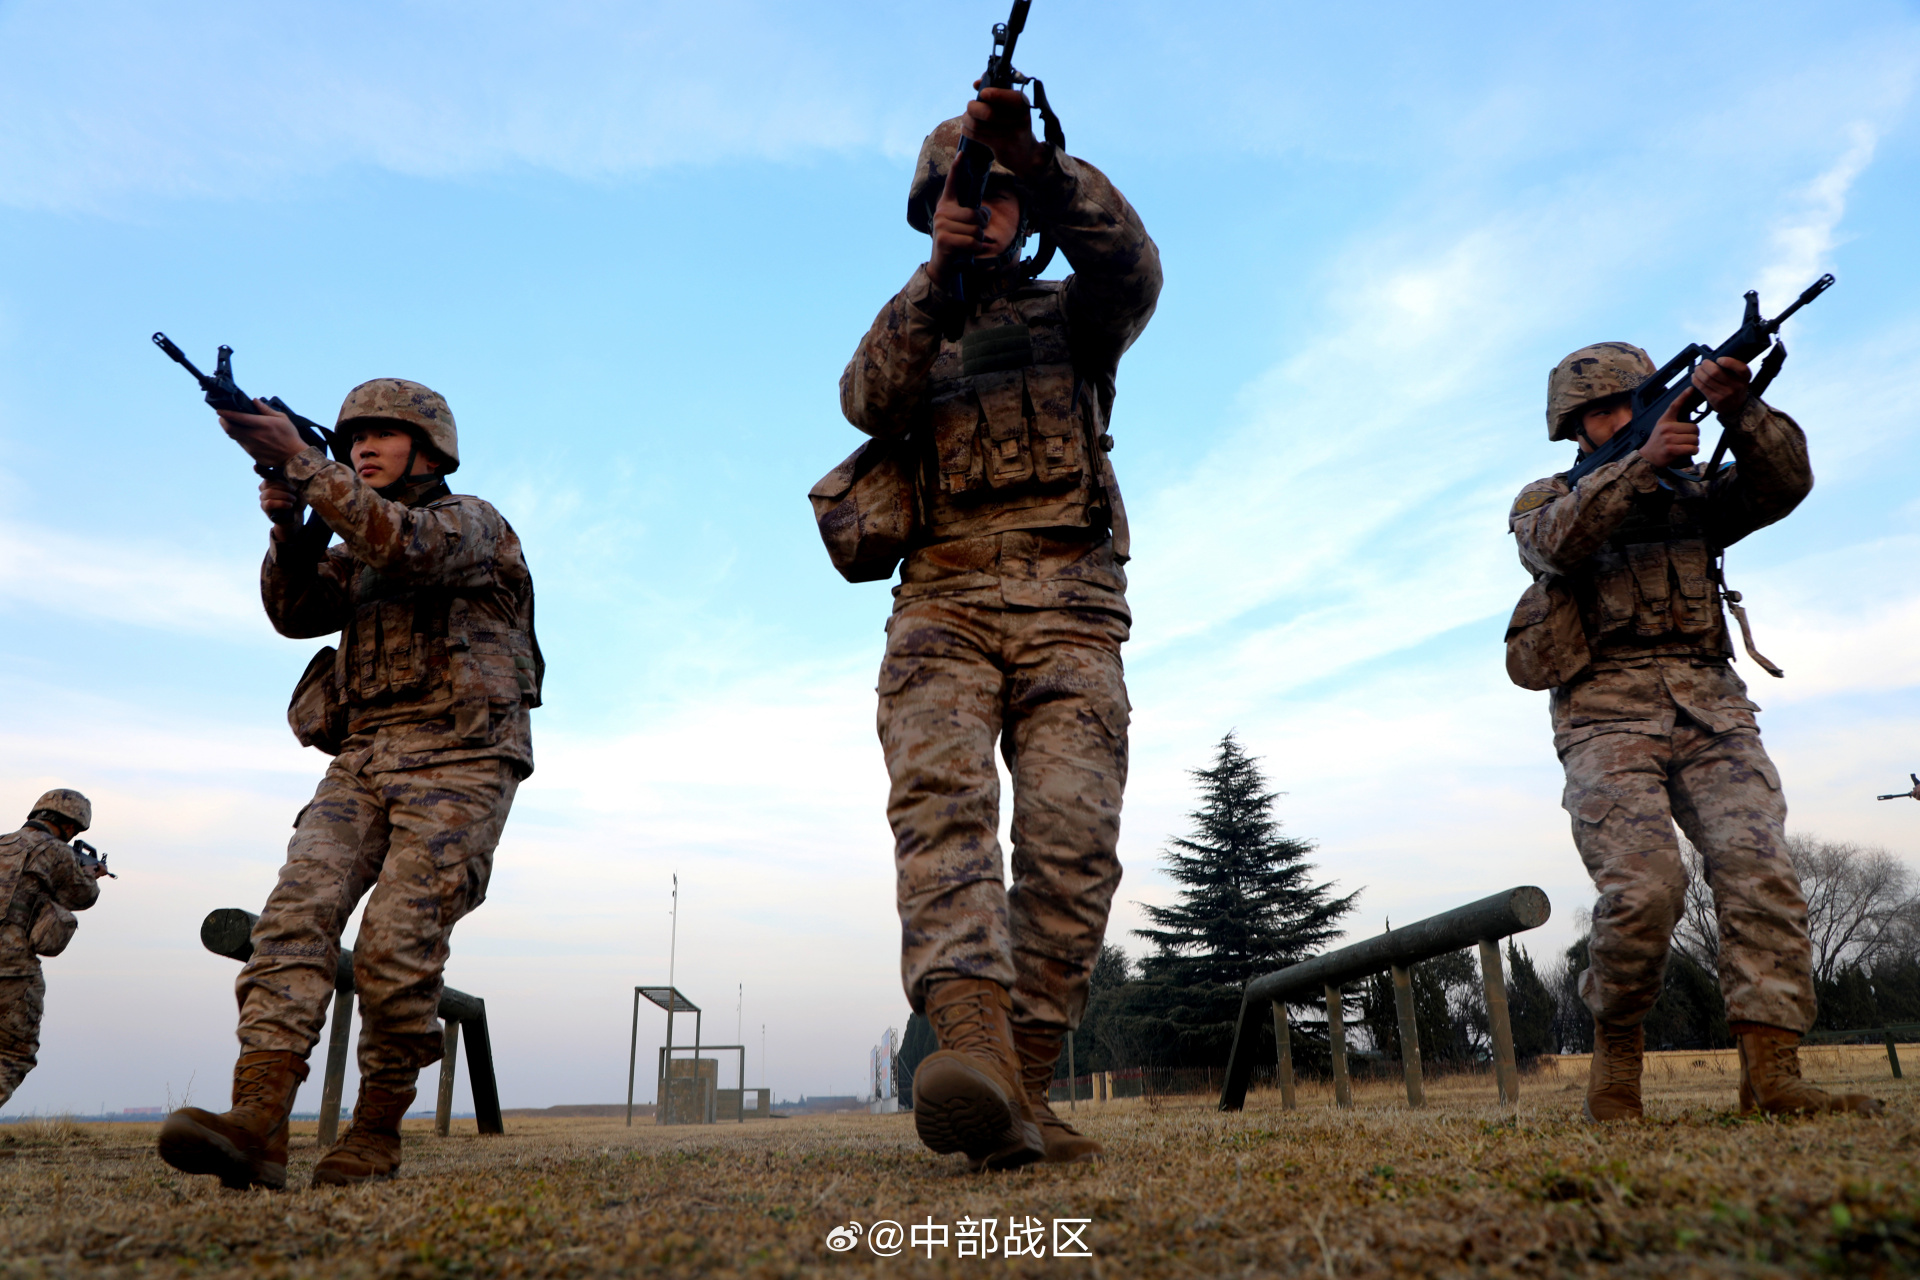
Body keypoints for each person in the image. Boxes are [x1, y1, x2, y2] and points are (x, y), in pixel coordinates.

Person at [839, 84, 1160, 1169]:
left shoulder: (1076, 319)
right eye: (970, 196)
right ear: (935, 209)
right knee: (945, 815)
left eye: (1007, 198)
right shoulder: (914, 330)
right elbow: (863, 396)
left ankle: (1020, 1082)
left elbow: (1135, 270)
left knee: (1075, 847)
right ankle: (970, 1043)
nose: (989, 213)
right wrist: (936, 274)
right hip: (943, 608)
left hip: (1074, 613)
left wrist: (1046, 164)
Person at [159, 380, 542, 1189]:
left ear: (429, 449)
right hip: (363, 756)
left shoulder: (471, 523)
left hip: (460, 759)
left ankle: (374, 1133)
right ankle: (257, 1118)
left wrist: (301, 464)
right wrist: (289, 527)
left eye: (382, 435)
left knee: (396, 947)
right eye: (352, 437)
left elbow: (402, 546)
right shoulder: (353, 540)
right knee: (293, 919)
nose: (361, 447)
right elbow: (295, 611)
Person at [1505, 342, 1879, 1121]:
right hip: (1604, 716)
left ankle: (1773, 1075)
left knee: (1760, 870)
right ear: (1575, 425)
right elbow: (1553, 546)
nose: (1623, 416)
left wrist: (1739, 409)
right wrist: (1638, 463)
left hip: (1712, 706)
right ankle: (1616, 1059)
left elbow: (1784, 485)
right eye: (1607, 409)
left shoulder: (1696, 490)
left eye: (1634, 401)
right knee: (1645, 890)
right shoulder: (1544, 496)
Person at [0, 789, 108, 1109]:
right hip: (12, 970)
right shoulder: (56, 853)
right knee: (14, 1053)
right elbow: (82, 896)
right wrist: (91, 875)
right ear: (70, 825)